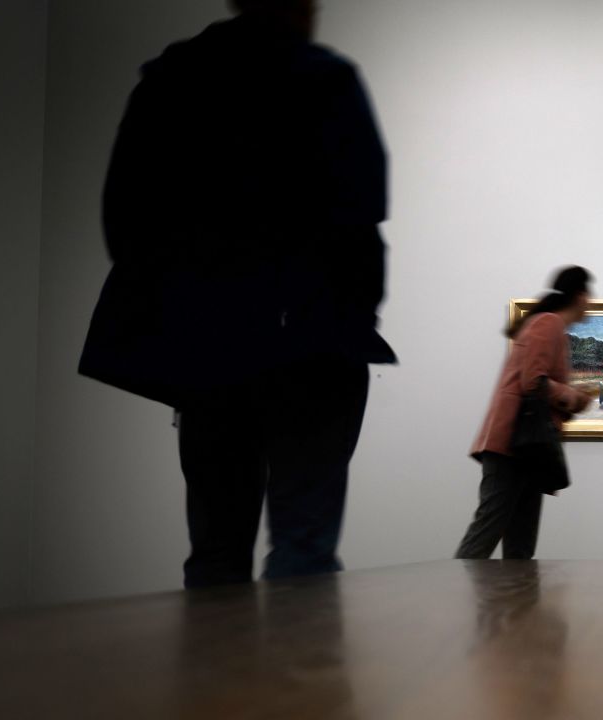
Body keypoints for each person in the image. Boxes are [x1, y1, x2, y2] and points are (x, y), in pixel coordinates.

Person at [78, 0, 396, 587]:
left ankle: (212, 680)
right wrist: (351, 315)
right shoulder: (324, 79)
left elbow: (123, 222)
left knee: (217, 550)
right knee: (304, 548)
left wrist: (187, 308)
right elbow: (360, 219)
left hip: (209, 344)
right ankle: (298, 678)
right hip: (314, 339)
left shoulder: (170, 82)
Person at [455, 267, 595, 559]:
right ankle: (459, 601)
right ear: (580, 296)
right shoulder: (549, 323)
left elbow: (536, 382)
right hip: (515, 447)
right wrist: (573, 397)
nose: (592, 302)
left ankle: (516, 605)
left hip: (524, 448)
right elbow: (534, 381)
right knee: (488, 535)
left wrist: (571, 399)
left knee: (517, 544)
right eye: (590, 295)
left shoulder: (545, 324)